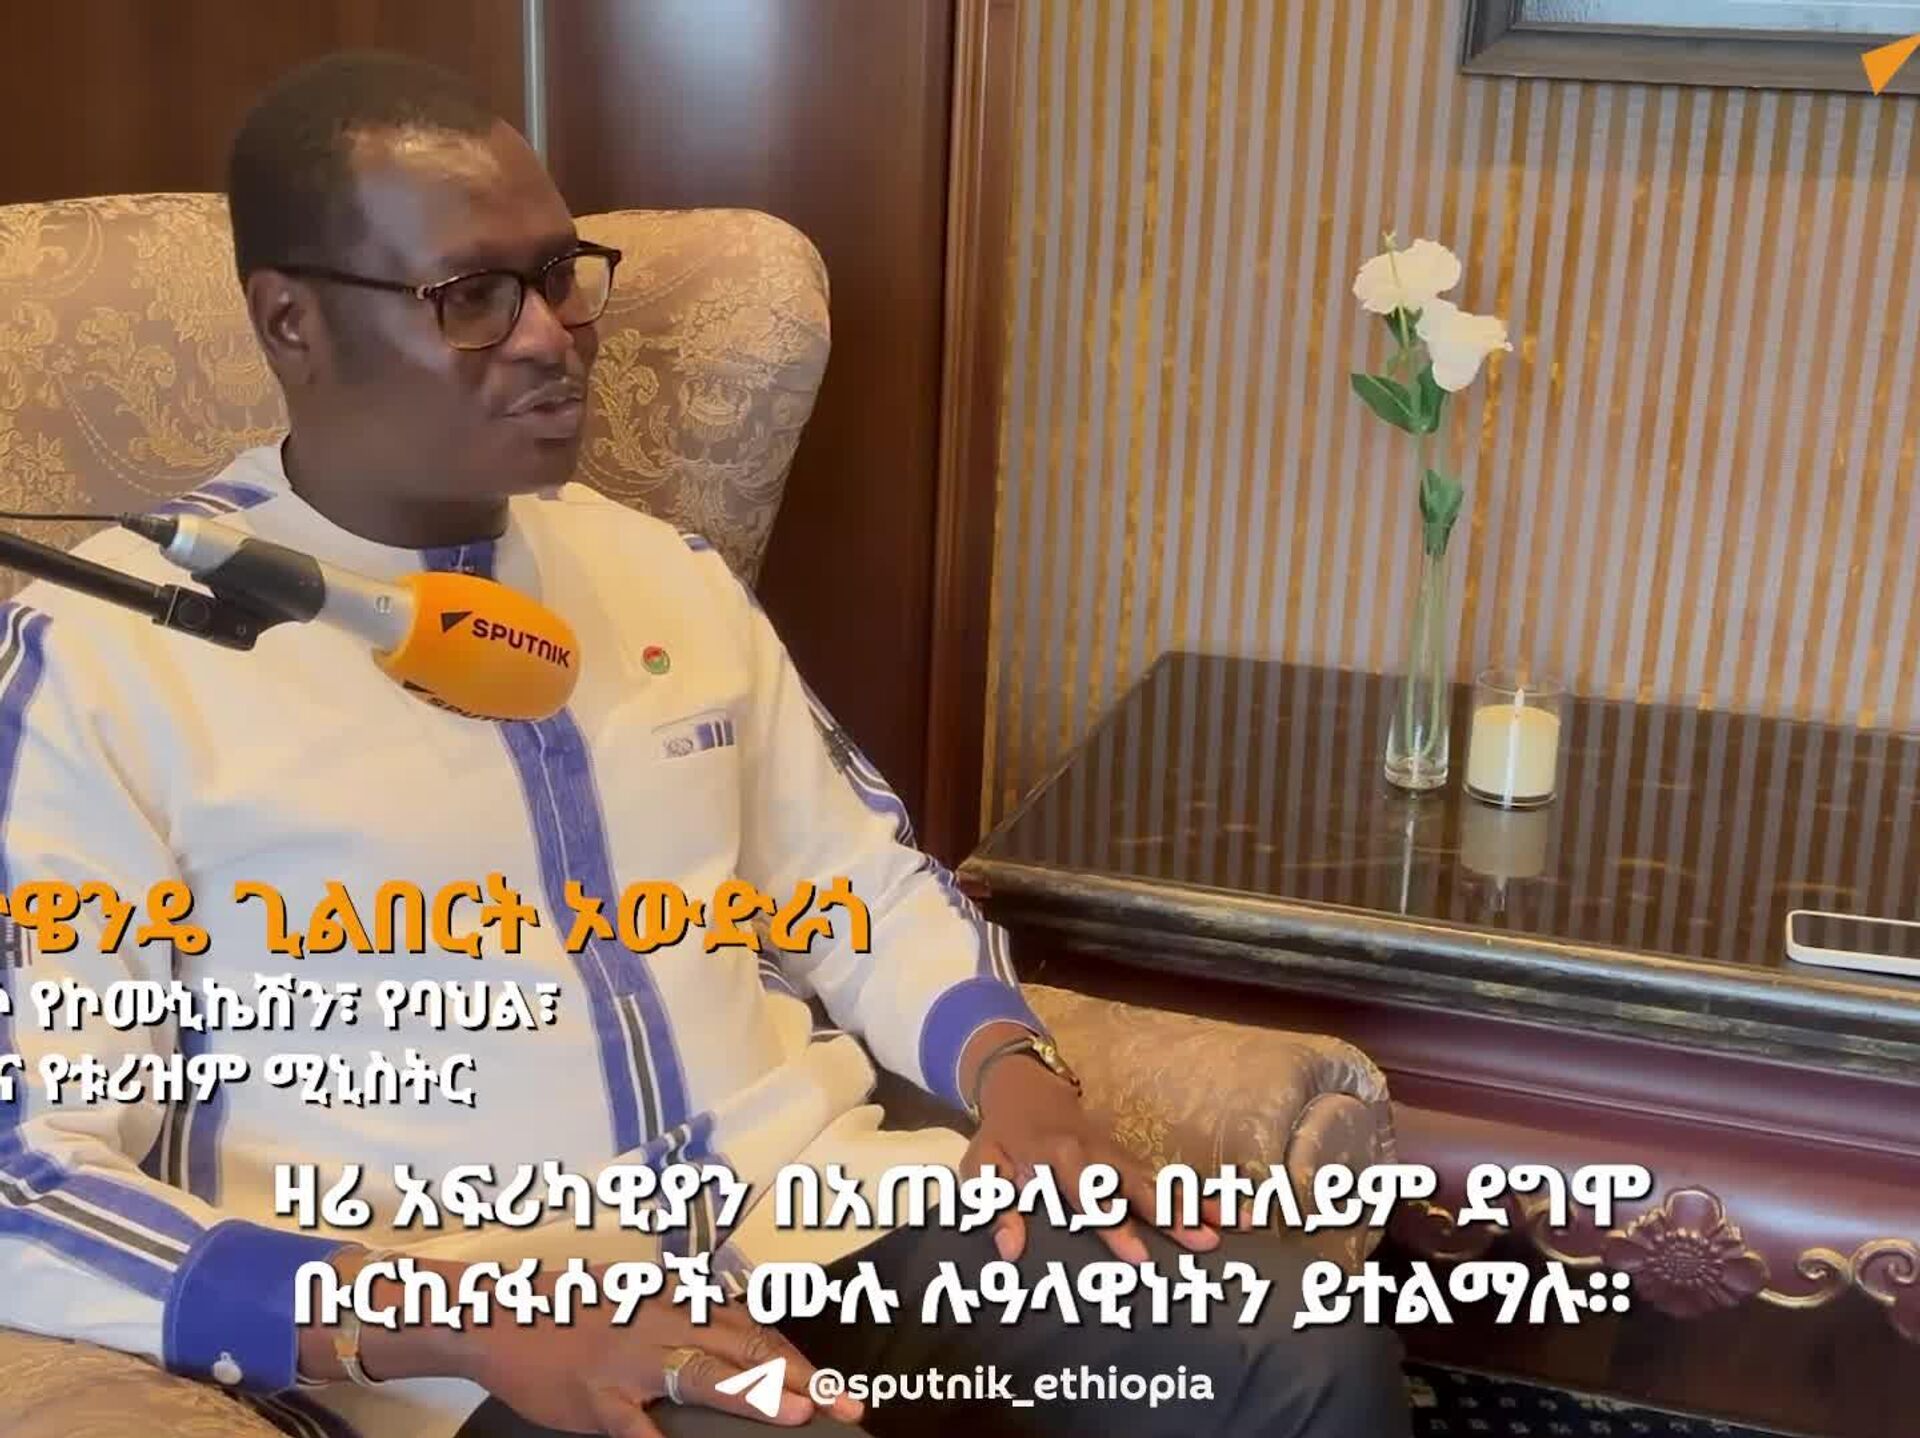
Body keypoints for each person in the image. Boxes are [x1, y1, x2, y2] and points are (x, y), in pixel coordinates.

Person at [0, 51, 1410, 1438]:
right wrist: (453, 1318)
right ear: (292, 321)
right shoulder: (108, 656)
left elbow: (854, 880)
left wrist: (1019, 1079)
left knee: (1297, 1346)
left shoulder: (661, 574)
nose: (553, 335)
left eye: (559, 274)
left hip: (811, 1209)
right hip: (481, 1320)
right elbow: (28, 1175)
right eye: (472, 296)